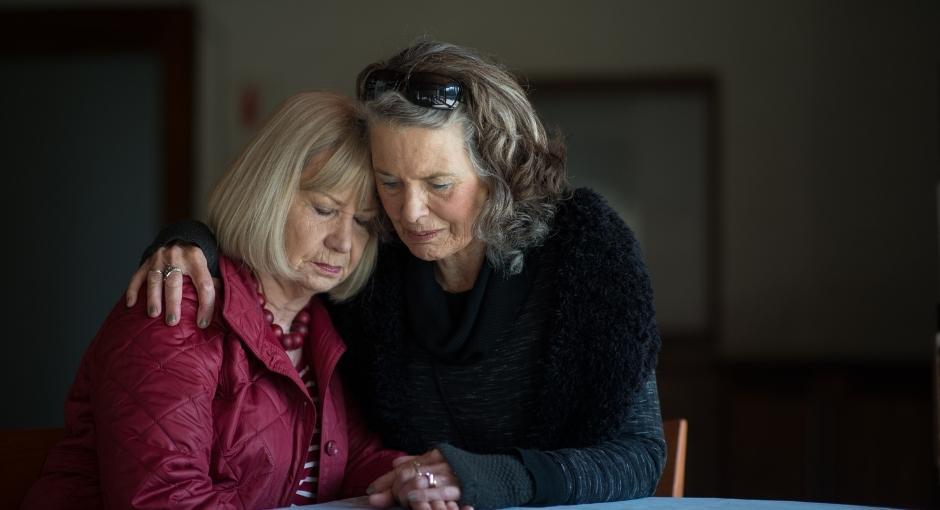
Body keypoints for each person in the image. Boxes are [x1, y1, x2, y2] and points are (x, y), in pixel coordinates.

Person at [128, 41, 666, 510]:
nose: (408, 213)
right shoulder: (371, 253)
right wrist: (189, 238)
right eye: (388, 182)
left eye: (438, 184)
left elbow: (639, 455)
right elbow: (277, 231)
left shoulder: (586, 249)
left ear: (498, 170)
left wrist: (498, 478)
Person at [24, 91, 411, 509]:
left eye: (363, 223)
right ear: (267, 195)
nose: (343, 242)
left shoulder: (315, 325)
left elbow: (352, 460)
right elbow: (163, 498)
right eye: (323, 208)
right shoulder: (179, 305)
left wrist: (413, 478)